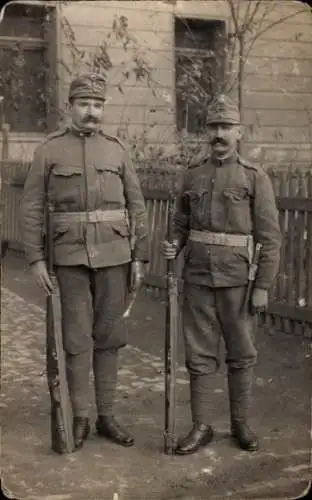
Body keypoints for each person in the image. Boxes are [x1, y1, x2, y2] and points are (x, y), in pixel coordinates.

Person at [20, 72, 149, 451]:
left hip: (114, 256)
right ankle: (80, 418)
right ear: (70, 107)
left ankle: (107, 416)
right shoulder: (48, 150)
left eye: (98, 105)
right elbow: (31, 207)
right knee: (76, 340)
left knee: (109, 337)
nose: (92, 112)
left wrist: (139, 255)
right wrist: (35, 259)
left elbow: (136, 205)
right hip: (69, 258)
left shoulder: (117, 150)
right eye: (84, 104)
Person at [162, 94, 281, 455]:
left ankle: (240, 424)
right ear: (206, 131)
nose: (219, 134)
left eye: (226, 127)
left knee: (241, 352)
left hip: (238, 281)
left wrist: (262, 285)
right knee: (198, 354)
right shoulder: (193, 174)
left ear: (238, 132)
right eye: (213, 127)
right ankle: (201, 426)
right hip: (197, 277)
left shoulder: (254, 177)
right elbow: (181, 222)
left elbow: (270, 238)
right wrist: (174, 244)